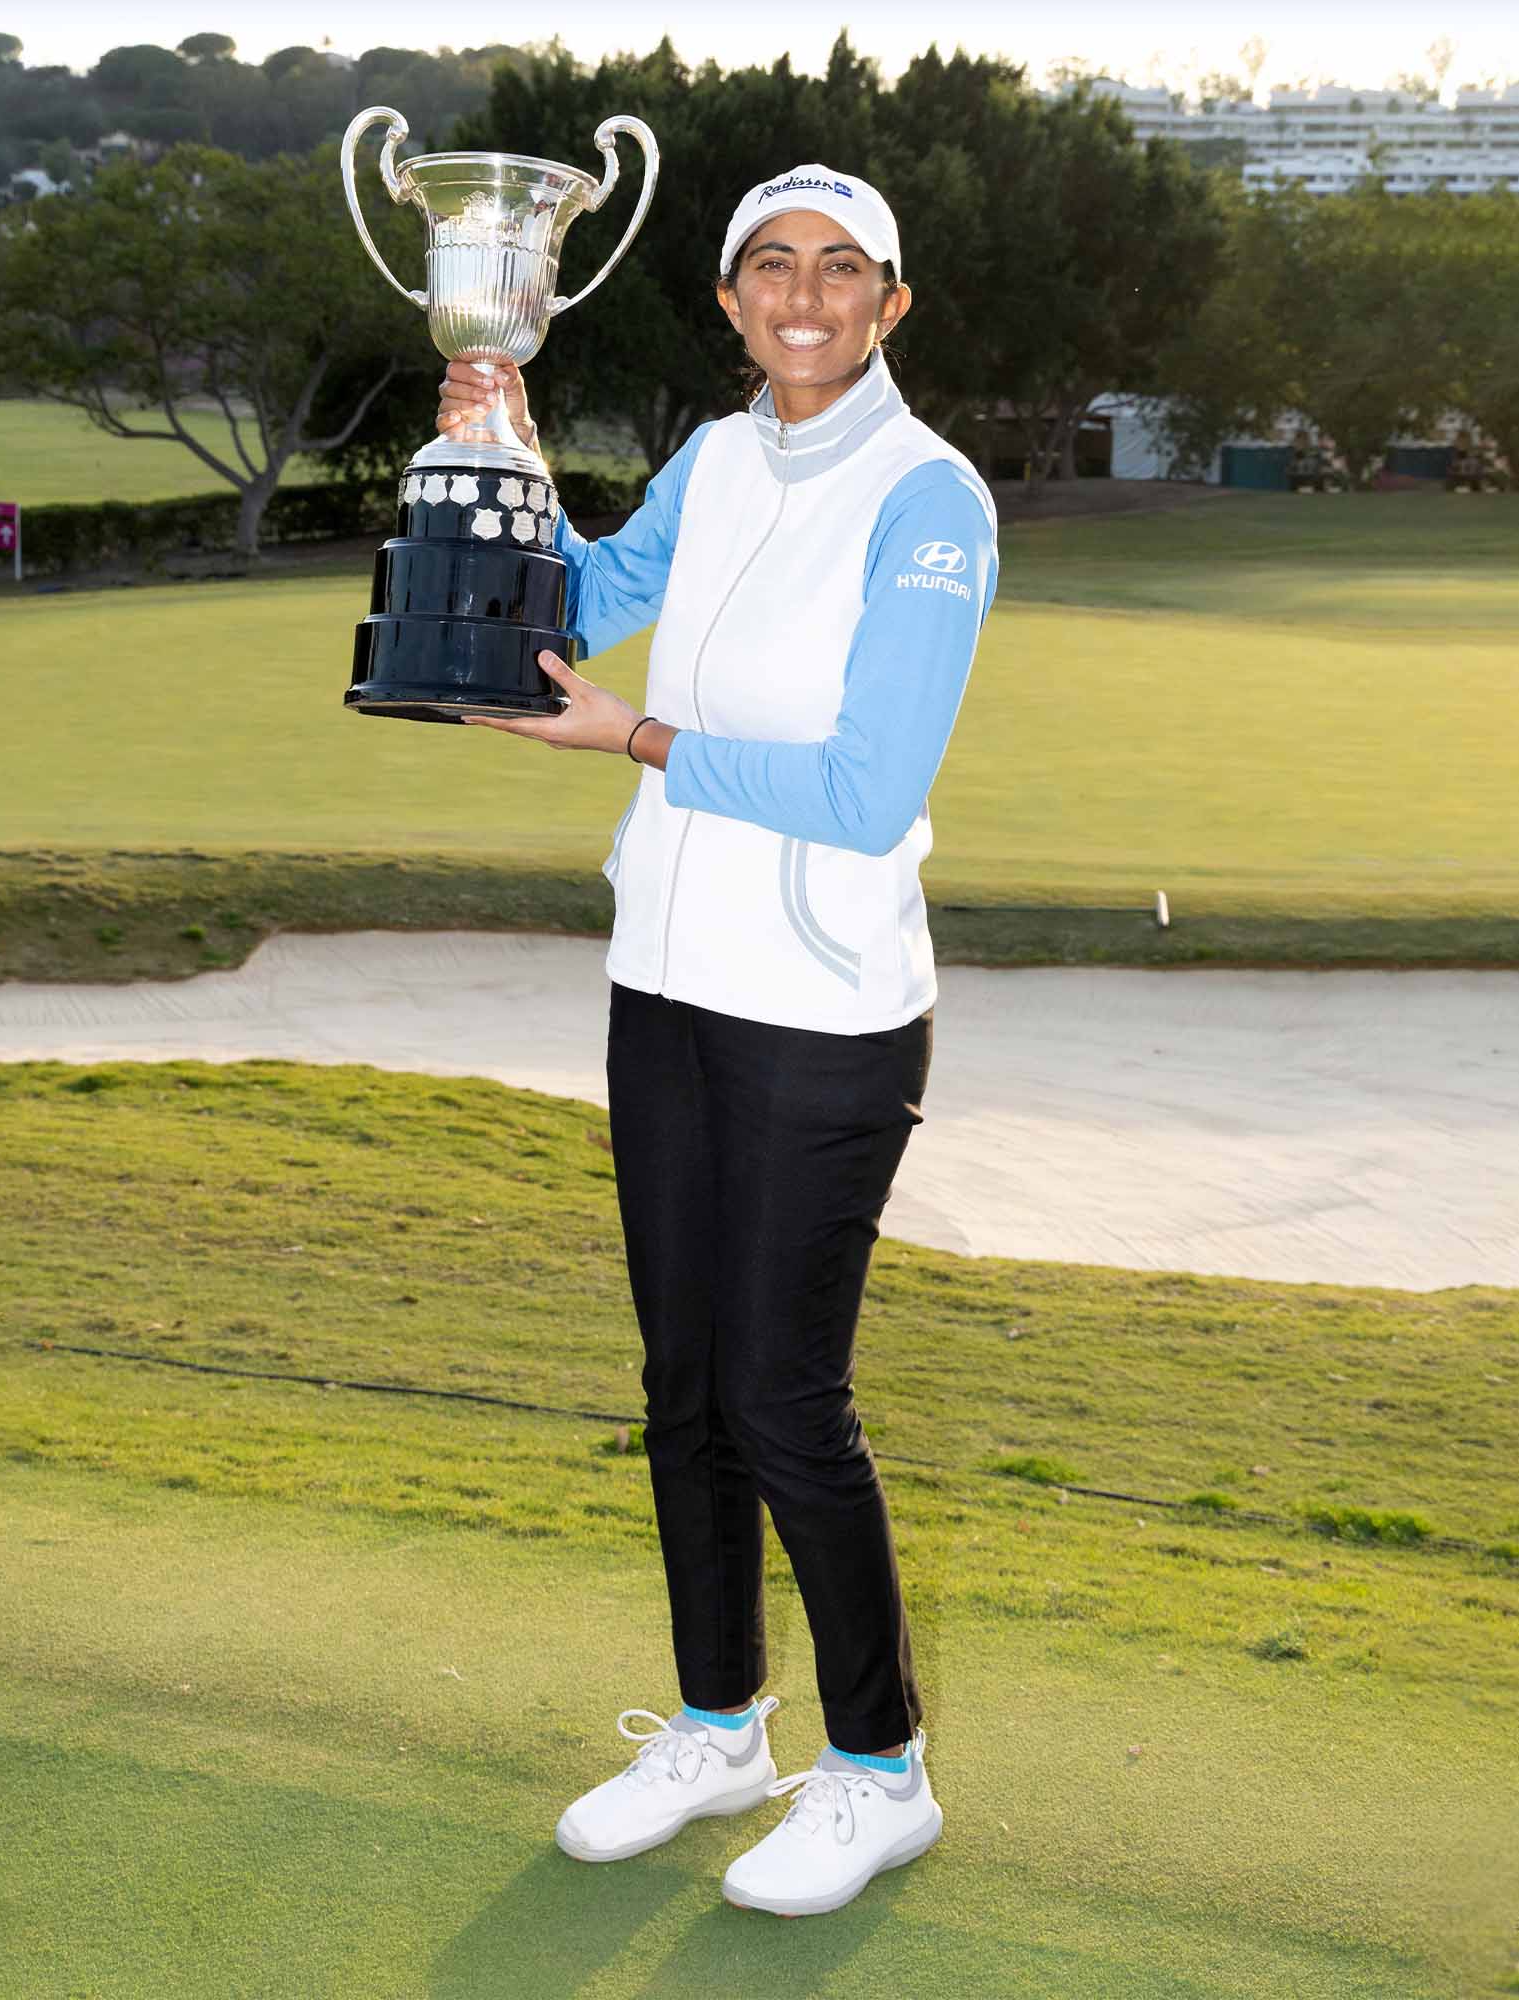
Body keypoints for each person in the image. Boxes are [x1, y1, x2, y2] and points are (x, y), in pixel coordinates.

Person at [438, 164, 998, 1918]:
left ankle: (880, 1769)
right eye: (773, 265)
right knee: (684, 1387)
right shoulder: (716, 454)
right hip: (667, 982)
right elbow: (585, 593)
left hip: (824, 1013)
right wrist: (503, 453)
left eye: (841, 268)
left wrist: (637, 741)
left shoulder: (930, 498)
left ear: (890, 304)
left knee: (784, 1401)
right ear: (732, 298)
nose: (804, 295)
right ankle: (717, 1729)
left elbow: (866, 789)